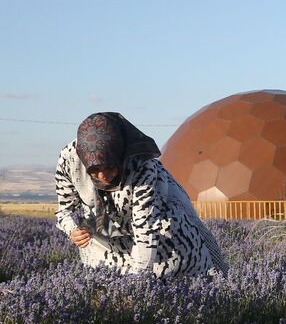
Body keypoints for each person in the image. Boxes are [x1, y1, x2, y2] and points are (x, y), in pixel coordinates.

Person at [55, 112, 227, 277]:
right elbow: (64, 211)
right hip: (105, 226)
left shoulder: (143, 167)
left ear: (119, 156)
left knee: (171, 268)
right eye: (94, 170)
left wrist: (137, 282)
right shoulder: (70, 160)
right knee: (102, 275)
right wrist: (73, 230)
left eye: (110, 167)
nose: (103, 176)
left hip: (163, 220)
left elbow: (146, 231)